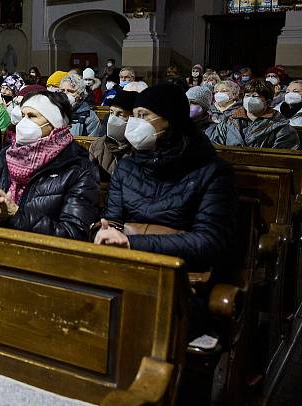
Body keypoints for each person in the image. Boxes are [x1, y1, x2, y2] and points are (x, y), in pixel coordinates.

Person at [94, 84, 236, 335]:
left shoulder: (210, 171)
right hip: (127, 272)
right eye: (134, 115)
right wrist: (104, 231)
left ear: (170, 119)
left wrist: (131, 243)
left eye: (143, 116)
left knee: (128, 323)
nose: (134, 124)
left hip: (183, 283)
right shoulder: (127, 167)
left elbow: (209, 241)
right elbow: (113, 221)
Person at [0, 91, 98, 239]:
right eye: (23, 116)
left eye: (32, 116)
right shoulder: (6, 156)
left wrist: (17, 215)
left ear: (54, 124)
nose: (23, 123)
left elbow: (74, 233)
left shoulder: (77, 167)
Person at [209, 79, 299, 150]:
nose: (250, 99)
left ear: (268, 102)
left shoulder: (281, 127)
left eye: (255, 96)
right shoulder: (228, 121)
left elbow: (280, 158)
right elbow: (216, 146)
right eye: (247, 96)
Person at [88, 90, 136, 180]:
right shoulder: (98, 145)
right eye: (111, 113)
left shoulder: (138, 149)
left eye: (120, 114)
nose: (113, 119)